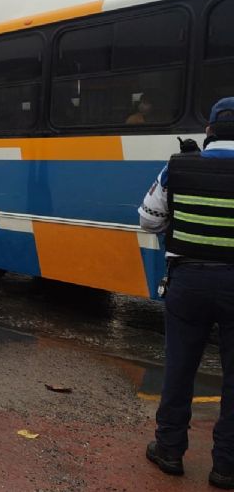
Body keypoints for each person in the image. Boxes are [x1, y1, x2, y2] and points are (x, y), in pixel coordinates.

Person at [140, 97, 234, 489]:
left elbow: (148, 219)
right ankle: (226, 466)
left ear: (210, 129)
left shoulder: (177, 166)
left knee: (179, 368)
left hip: (188, 283)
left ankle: (170, 450)